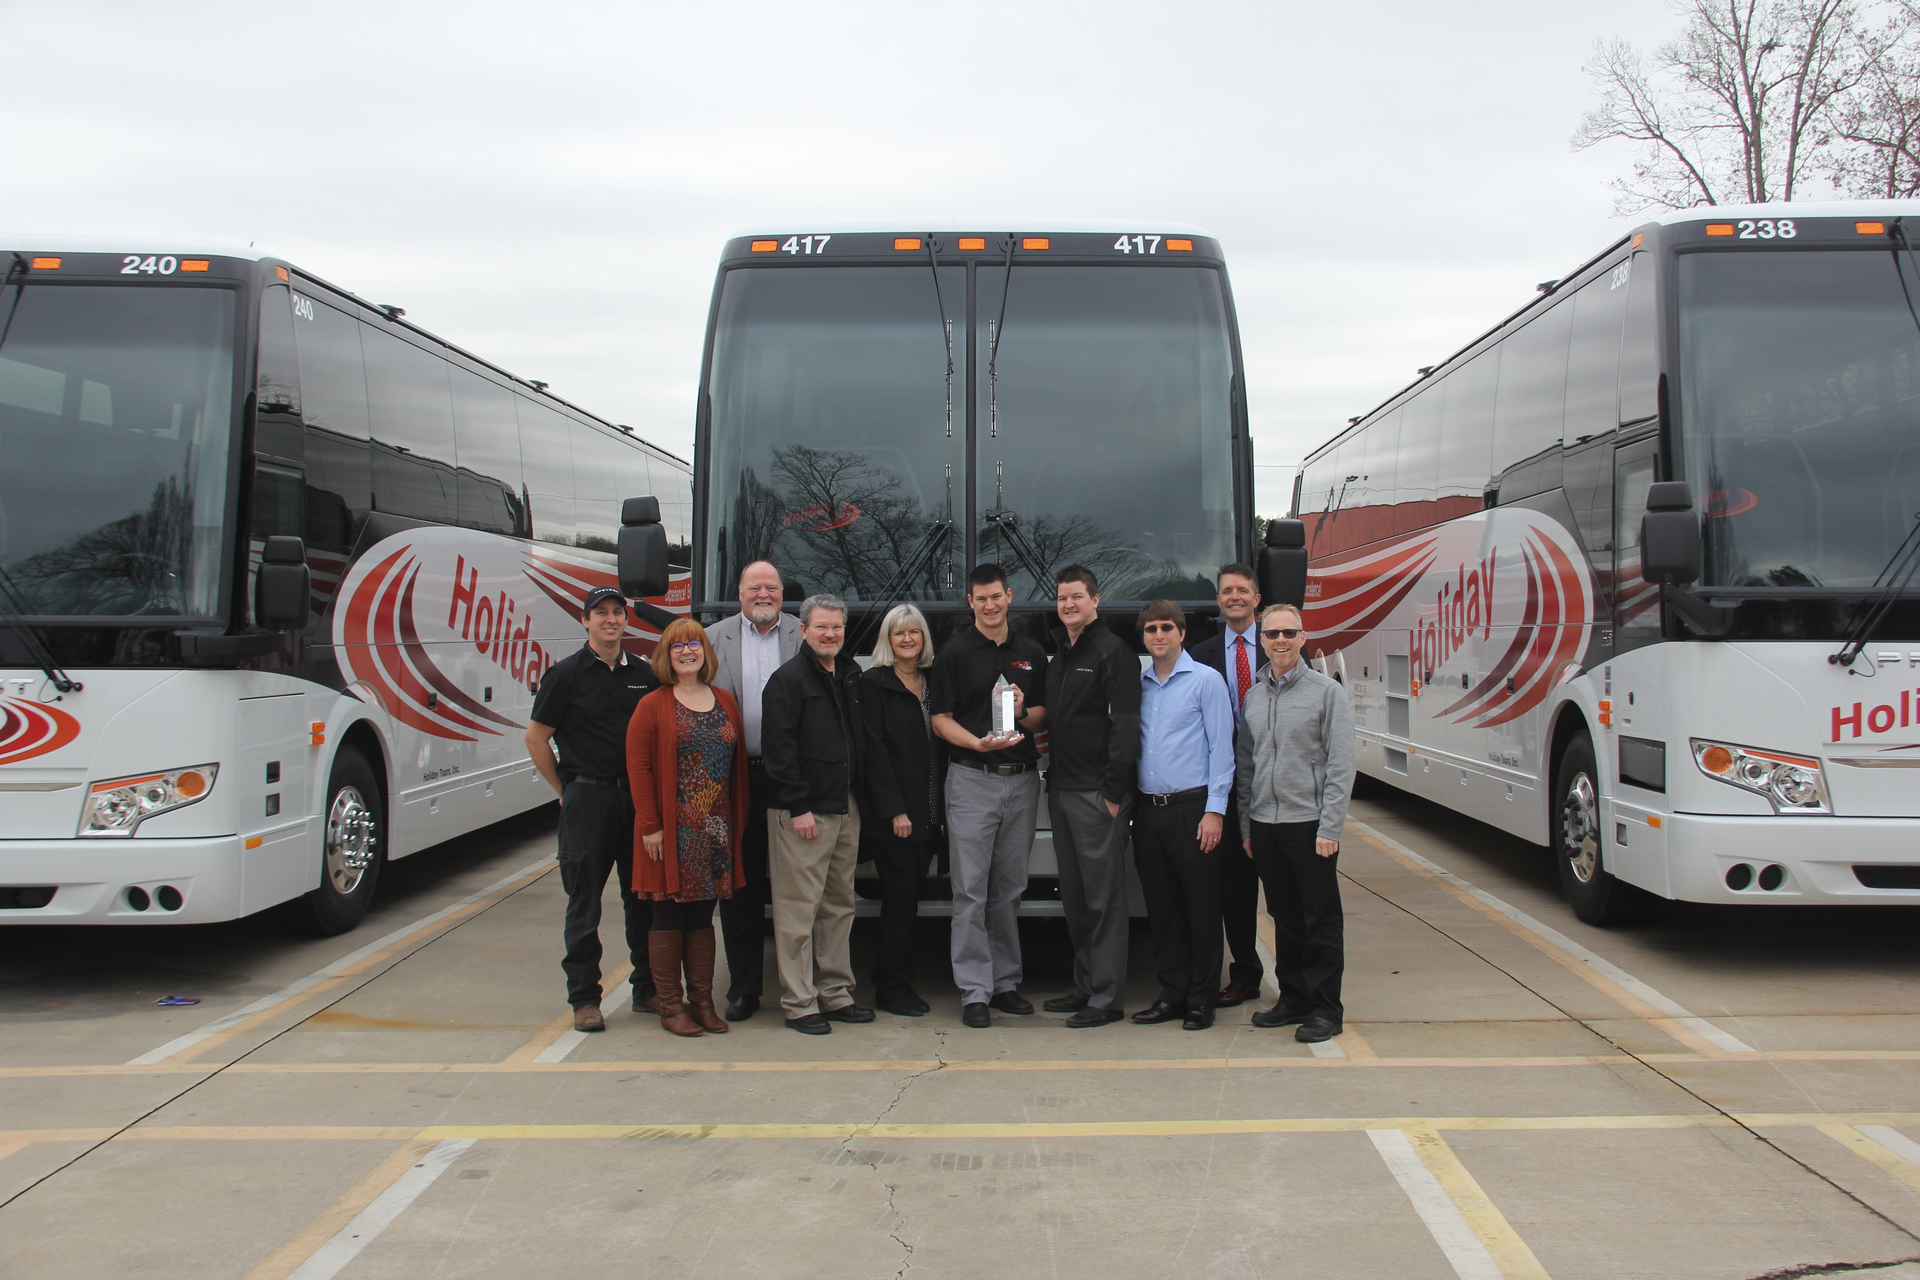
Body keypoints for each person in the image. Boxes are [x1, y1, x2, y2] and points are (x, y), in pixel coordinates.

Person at [524, 585, 660, 1033]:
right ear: (585, 620)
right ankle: (585, 999)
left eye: (617, 612)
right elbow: (536, 738)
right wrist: (563, 789)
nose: (610, 620)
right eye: (600, 613)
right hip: (587, 799)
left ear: (626, 620)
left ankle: (647, 990)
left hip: (636, 800)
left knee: (642, 900)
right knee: (584, 903)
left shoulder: (644, 673)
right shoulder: (564, 676)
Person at [930, 563, 1047, 1029]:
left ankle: (1006, 984)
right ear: (971, 603)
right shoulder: (954, 653)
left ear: (1009, 596)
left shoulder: (1033, 652)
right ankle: (975, 990)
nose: (990, 604)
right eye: (981, 598)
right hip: (973, 778)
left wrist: (1023, 711)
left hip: (1021, 781)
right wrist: (976, 743)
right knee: (970, 891)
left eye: (997, 596)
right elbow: (940, 718)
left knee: (1010, 889)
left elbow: (1042, 718)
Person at [1235, 603, 1356, 1043]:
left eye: (1289, 633)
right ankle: (1293, 999)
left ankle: (1326, 1009)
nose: (1280, 641)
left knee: (1320, 919)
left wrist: (1330, 828)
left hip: (1309, 825)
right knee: (1284, 918)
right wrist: (1248, 827)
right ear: (1262, 640)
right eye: (1272, 635)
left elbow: (1341, 765)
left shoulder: (1327, 693)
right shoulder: (1254, 695)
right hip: (1266, 825)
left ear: (1303, 638)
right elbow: (1246, 764)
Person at [628, 618, 751, 1037]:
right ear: (667, 654)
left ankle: (702, 1002)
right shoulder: (653, 704)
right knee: (666, 915)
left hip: (715, 830)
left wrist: (737, 825)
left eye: (694, 644)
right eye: (677, 646)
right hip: (669, 831)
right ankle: (669, 1006)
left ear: (705, 651)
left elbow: (738, 770)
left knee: (703, 918)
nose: (686, 651)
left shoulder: (724, 700)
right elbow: (639, 768)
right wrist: (650, 826)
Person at [761, 593, 873, 1035]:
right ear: (803, 631)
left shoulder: (850, 674)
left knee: (839, 905)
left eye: (837, 627)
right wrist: (798, 806)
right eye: (821, 627)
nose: (830, 634)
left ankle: (836, 993)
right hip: (803, 813)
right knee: (797, 910)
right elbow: (778, 751)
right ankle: (800, 1002)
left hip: (845, 807)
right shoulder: (786, 680)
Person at [1039, 566, 1141, 1029]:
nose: (1068, 605)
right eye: (1062, 599)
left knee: (1104, 900)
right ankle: (1085, 985)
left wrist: (1114, 793)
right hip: (1061, 789)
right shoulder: (1061, 653)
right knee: (1077, 898)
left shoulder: (1112, 652)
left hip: (1097, 796)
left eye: (1077, 597)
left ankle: (1106, 998)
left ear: (1095, 601)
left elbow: (1123, 725)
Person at [1131, 600, 1236, 1031]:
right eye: (1151, 629)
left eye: (1166, 628)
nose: (1159, 635)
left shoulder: (1206, 682)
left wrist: (1215, 811)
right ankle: (1172, 994)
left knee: (1202, 907)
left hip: (1193, 811)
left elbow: (1223, 751)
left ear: (1182, 633)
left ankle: (1202, 999)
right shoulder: (1137, 685)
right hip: (1148, 811)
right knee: (1163, 908)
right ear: (1143, 637)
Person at [709, 560, 803, 1021]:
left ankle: (800, 991)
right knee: (741, 887)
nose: (763, 594)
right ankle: (744, 989)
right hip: (736, 778)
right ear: (740, 592)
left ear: (782, 594)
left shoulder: (804, 636)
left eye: (772, 587)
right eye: (755, 587)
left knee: (795, 888)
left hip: (792, 779)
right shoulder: (712, 639)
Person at [1187, 564, 1267, 1009]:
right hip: (1219, 784)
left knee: (1274, 885)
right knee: (1232, 887)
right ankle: (1243, 974)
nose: (1233, 597)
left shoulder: (1279, 646)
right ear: (1218, 601)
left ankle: (1295, 974)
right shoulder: (1201, 655)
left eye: (1242, 590)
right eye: (1226, 591)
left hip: (1270, 786)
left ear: (1257, 597)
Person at [860, 604, 946, 1018]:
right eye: (899, 634)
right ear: (887, 641)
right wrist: (894, 810)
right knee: (899, 901)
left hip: (929, 812)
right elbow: (872, 752)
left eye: (915, 633)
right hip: (896, 818)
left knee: (910, 900)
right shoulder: (873, 684)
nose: (908, 639)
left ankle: (899, 981)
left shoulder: (933, 683)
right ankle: (891, 988)